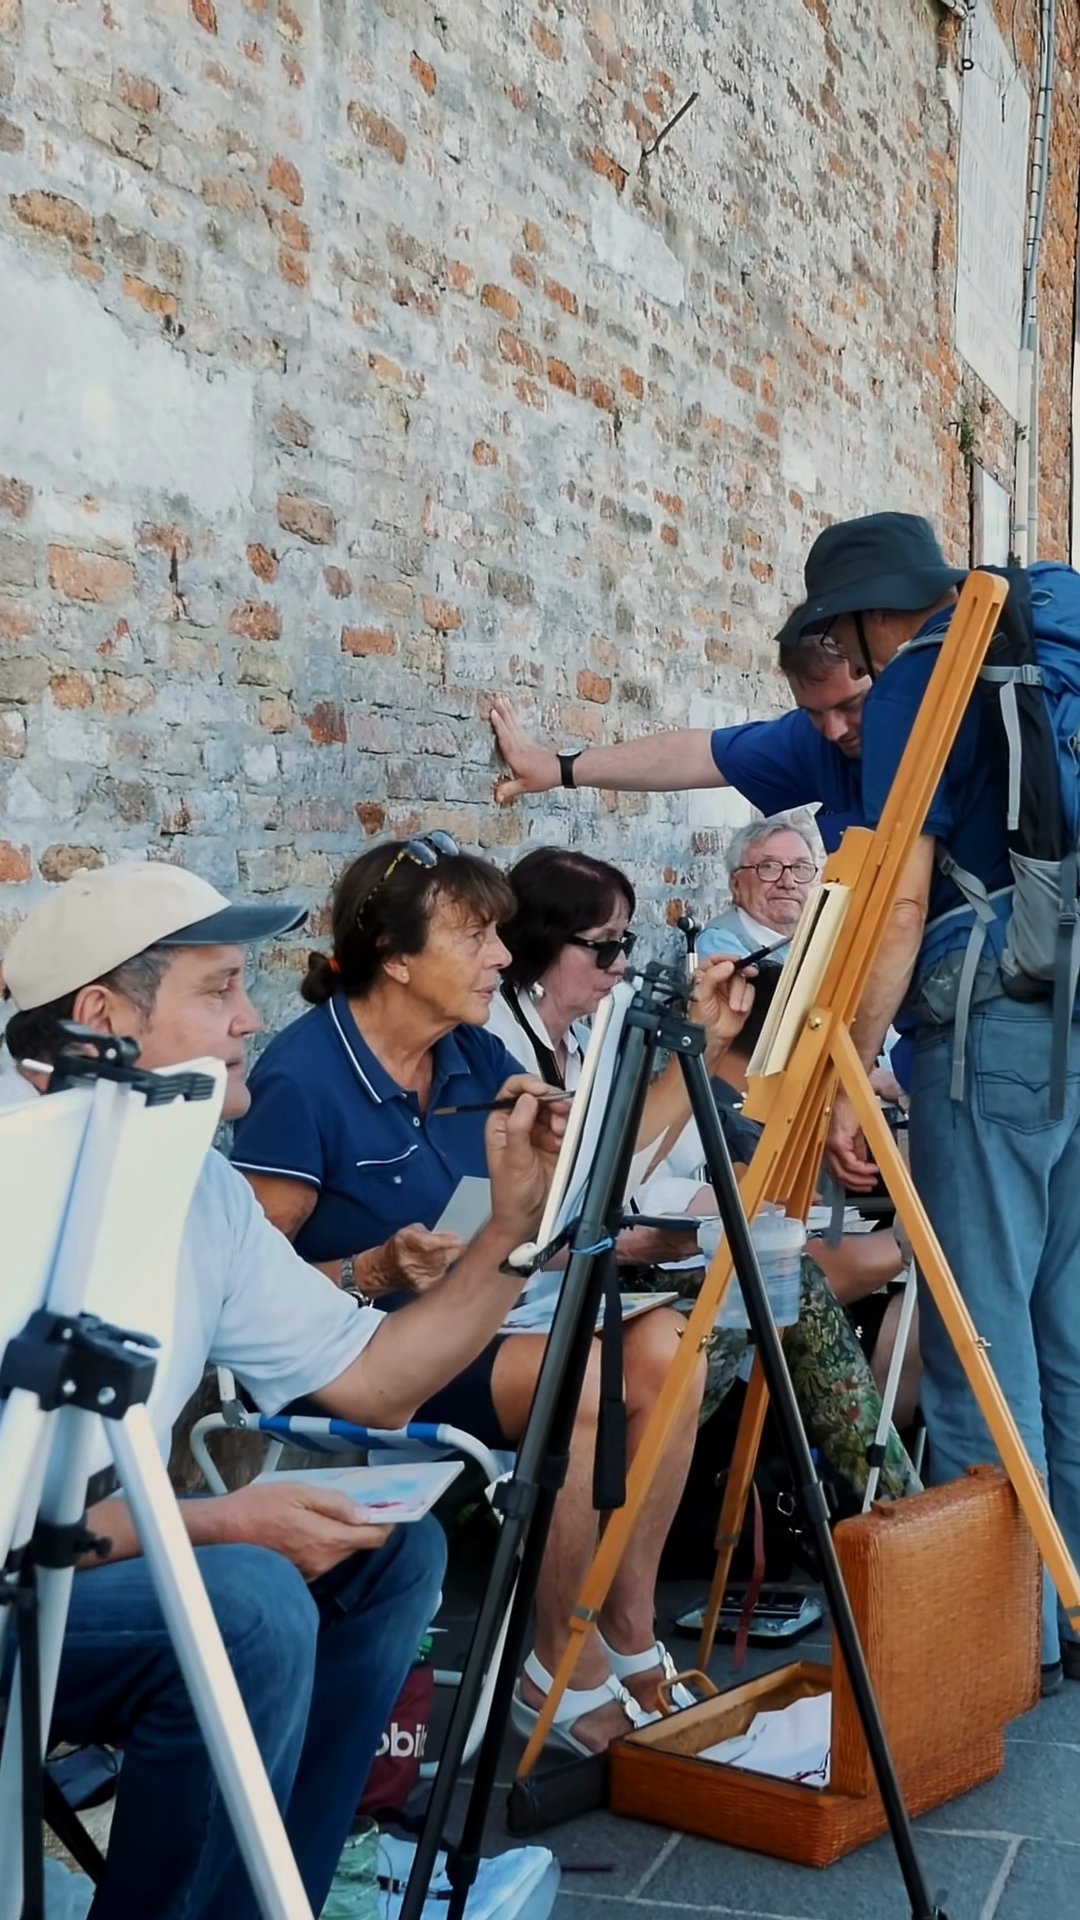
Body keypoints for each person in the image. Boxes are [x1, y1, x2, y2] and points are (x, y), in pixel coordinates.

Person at [0, 858, 569, 1920]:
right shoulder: (15, 1177)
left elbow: (372, 1384)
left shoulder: (195, 1182)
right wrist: (220, 1521)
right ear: (99, 1018)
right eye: (219, 989)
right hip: (16, 1581)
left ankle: (280, 1895)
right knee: (251, 1608)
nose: (251, 1018)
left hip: (71, 1562)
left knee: (394, 1550)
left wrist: (509, 1229)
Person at [232, 834, 754, 1753]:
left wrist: (696, 1054)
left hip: (488, 1316)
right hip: (363, 1356)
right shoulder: (303, 1078)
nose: (502, 957)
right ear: (395, 957)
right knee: (591, 1381)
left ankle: (626, 1633)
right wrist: (371, 1270)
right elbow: (242, 1292)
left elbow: (596, 1177)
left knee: (673, 1349)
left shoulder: (470, 1054)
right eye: (474, 937)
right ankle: (558, 1668)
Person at [790, 510, 1080, 1690]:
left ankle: (1002, 1643)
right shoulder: (1045, 641)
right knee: (1065, 1329)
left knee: (976, 1334)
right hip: (1071, 1004)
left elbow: (899, 903)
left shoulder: (925, 674)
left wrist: (851, 1074)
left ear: (865, 615)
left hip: (987, 1026)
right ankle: (1070, 1601)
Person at [489, 625, 870, 853]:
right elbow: (699, 755)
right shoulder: (812, 742)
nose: (834, 730)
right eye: (813, 712)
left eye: (852, 705)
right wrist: (559, 768)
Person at [695, 815, 820, 964]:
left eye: (800, 867)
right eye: (769, 867)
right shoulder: (719, 942)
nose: (788, 883)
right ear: (736, 884)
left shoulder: (817, 938)